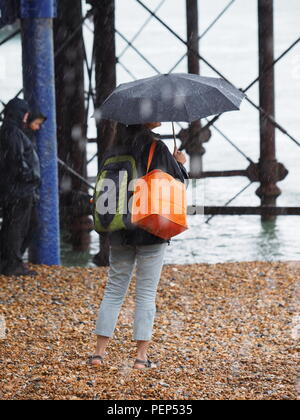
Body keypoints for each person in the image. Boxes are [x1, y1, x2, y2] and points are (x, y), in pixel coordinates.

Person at [90, 122, 189, 369]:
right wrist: (180, 164)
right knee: (145, 293)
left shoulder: (112, 150)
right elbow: (176, 185)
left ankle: (99, 355)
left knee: (113, 291)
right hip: (149, 228)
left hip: (119, 229)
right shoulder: (156, 147)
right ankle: (140, 358)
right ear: (146, 120)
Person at [0, 98, 41, 277]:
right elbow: (16, 161)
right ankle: (12, 264)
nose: (27, 117)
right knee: (17, 227)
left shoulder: (9, 130)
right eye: (25, 112)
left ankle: (9, 261)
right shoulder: (13, 132)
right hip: (19, 190)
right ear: (20, 113)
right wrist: (31, 178)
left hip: (14, 189)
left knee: (22, 225)